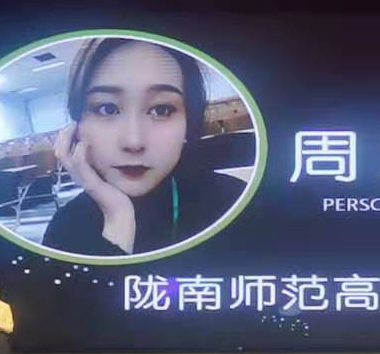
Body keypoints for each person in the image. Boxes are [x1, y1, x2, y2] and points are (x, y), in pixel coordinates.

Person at [42, 37, 247, 256]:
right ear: (76, 128)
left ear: (189, 122)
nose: (134, 142)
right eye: (107, 109)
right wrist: (118, 216)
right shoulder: (65, 229)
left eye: (161, 110)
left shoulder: (235, 203)